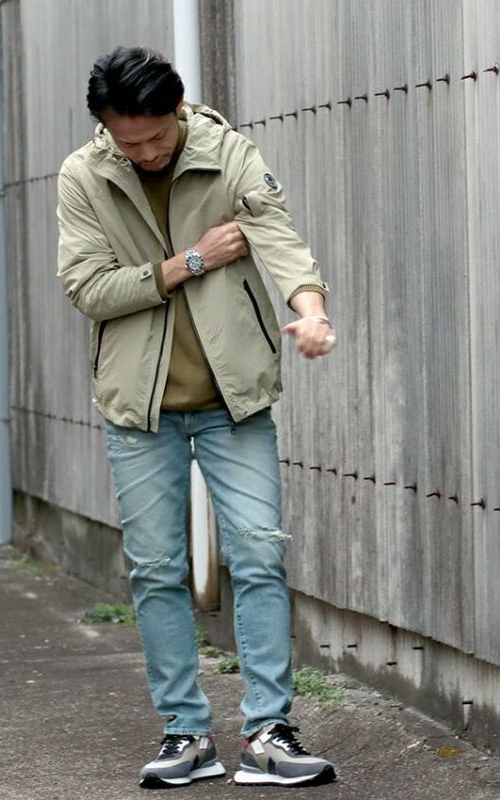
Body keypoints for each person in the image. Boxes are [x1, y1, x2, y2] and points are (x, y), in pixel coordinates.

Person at [56, 46, 337, 789]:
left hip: (232, 400)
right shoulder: (84, 176)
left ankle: (269, 731)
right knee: (156, 571)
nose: (147, 153)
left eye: (158, 137)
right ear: (106, 128)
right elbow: (88, 288)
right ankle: (185, 733)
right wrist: (193, 260)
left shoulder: (226, 152)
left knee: (259, 556)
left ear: (178, 110)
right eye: (130, 143)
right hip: (139, 408)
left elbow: (278, 236)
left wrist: (311, 311)